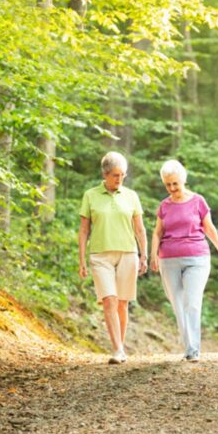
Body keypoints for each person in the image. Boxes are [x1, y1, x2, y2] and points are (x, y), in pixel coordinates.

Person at [150, 160, 218, 362]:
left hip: (197, 258)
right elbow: (158, 232)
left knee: (192, 303)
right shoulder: (164, 206)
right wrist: (153, 255)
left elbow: (209, 228)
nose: (172, 188)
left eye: (175, 183)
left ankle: (193, 350)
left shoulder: (198, 201)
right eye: (167, 184)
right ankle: (188, 345)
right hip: (169, 260)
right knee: (177, 305)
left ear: (183, 180)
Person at [78, 152, 148, 364]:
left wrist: (144, 255)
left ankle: (121, 348)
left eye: (123, 175)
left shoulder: (131, 196)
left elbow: (140, 229)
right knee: (109, 299)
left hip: (128, 253)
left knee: (122, 303)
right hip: (100, 255)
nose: (119, 180)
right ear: (105, 174)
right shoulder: (90, 195)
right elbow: (83, 231)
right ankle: (117, 349)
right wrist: (81, 260)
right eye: (115, 175)